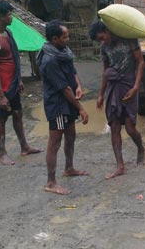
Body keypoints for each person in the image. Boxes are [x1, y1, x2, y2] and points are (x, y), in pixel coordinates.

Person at [0, 0, 41, 166]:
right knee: (2, 117)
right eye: (10, 14)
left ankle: (24, 146)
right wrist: (1, 96)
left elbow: (13, 59)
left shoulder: (7, 33)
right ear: (1, 16)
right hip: (2, 86)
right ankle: (2, 153)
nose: (12, 17)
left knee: (17, 113)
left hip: (12, 82)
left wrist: (19, 79)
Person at [36, 20, 89, 195]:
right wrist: (81, 108)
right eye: (65, 36)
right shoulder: (49, 60)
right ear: (54, 38)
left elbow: (72, 72)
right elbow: (64, 88)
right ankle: (50, 182)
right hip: (58, 105)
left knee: (71, 135)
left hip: (68, 103)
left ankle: (69, 168)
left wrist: (79, 86)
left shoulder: (63, 52)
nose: (68, 39)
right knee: (55, 141)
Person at [89, 20, 145, 179]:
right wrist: (101, 94)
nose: (102, 41)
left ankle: (140, 148)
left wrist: (136, 87)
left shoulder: (129, 39)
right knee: (114, 125)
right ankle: (120, 165)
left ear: (107, 30)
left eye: (102, 37)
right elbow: (105, 70)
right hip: (113, 88)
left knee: (130, 127)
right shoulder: (104, 48)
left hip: (129, 85)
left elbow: (140, 62)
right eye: (99, 40)